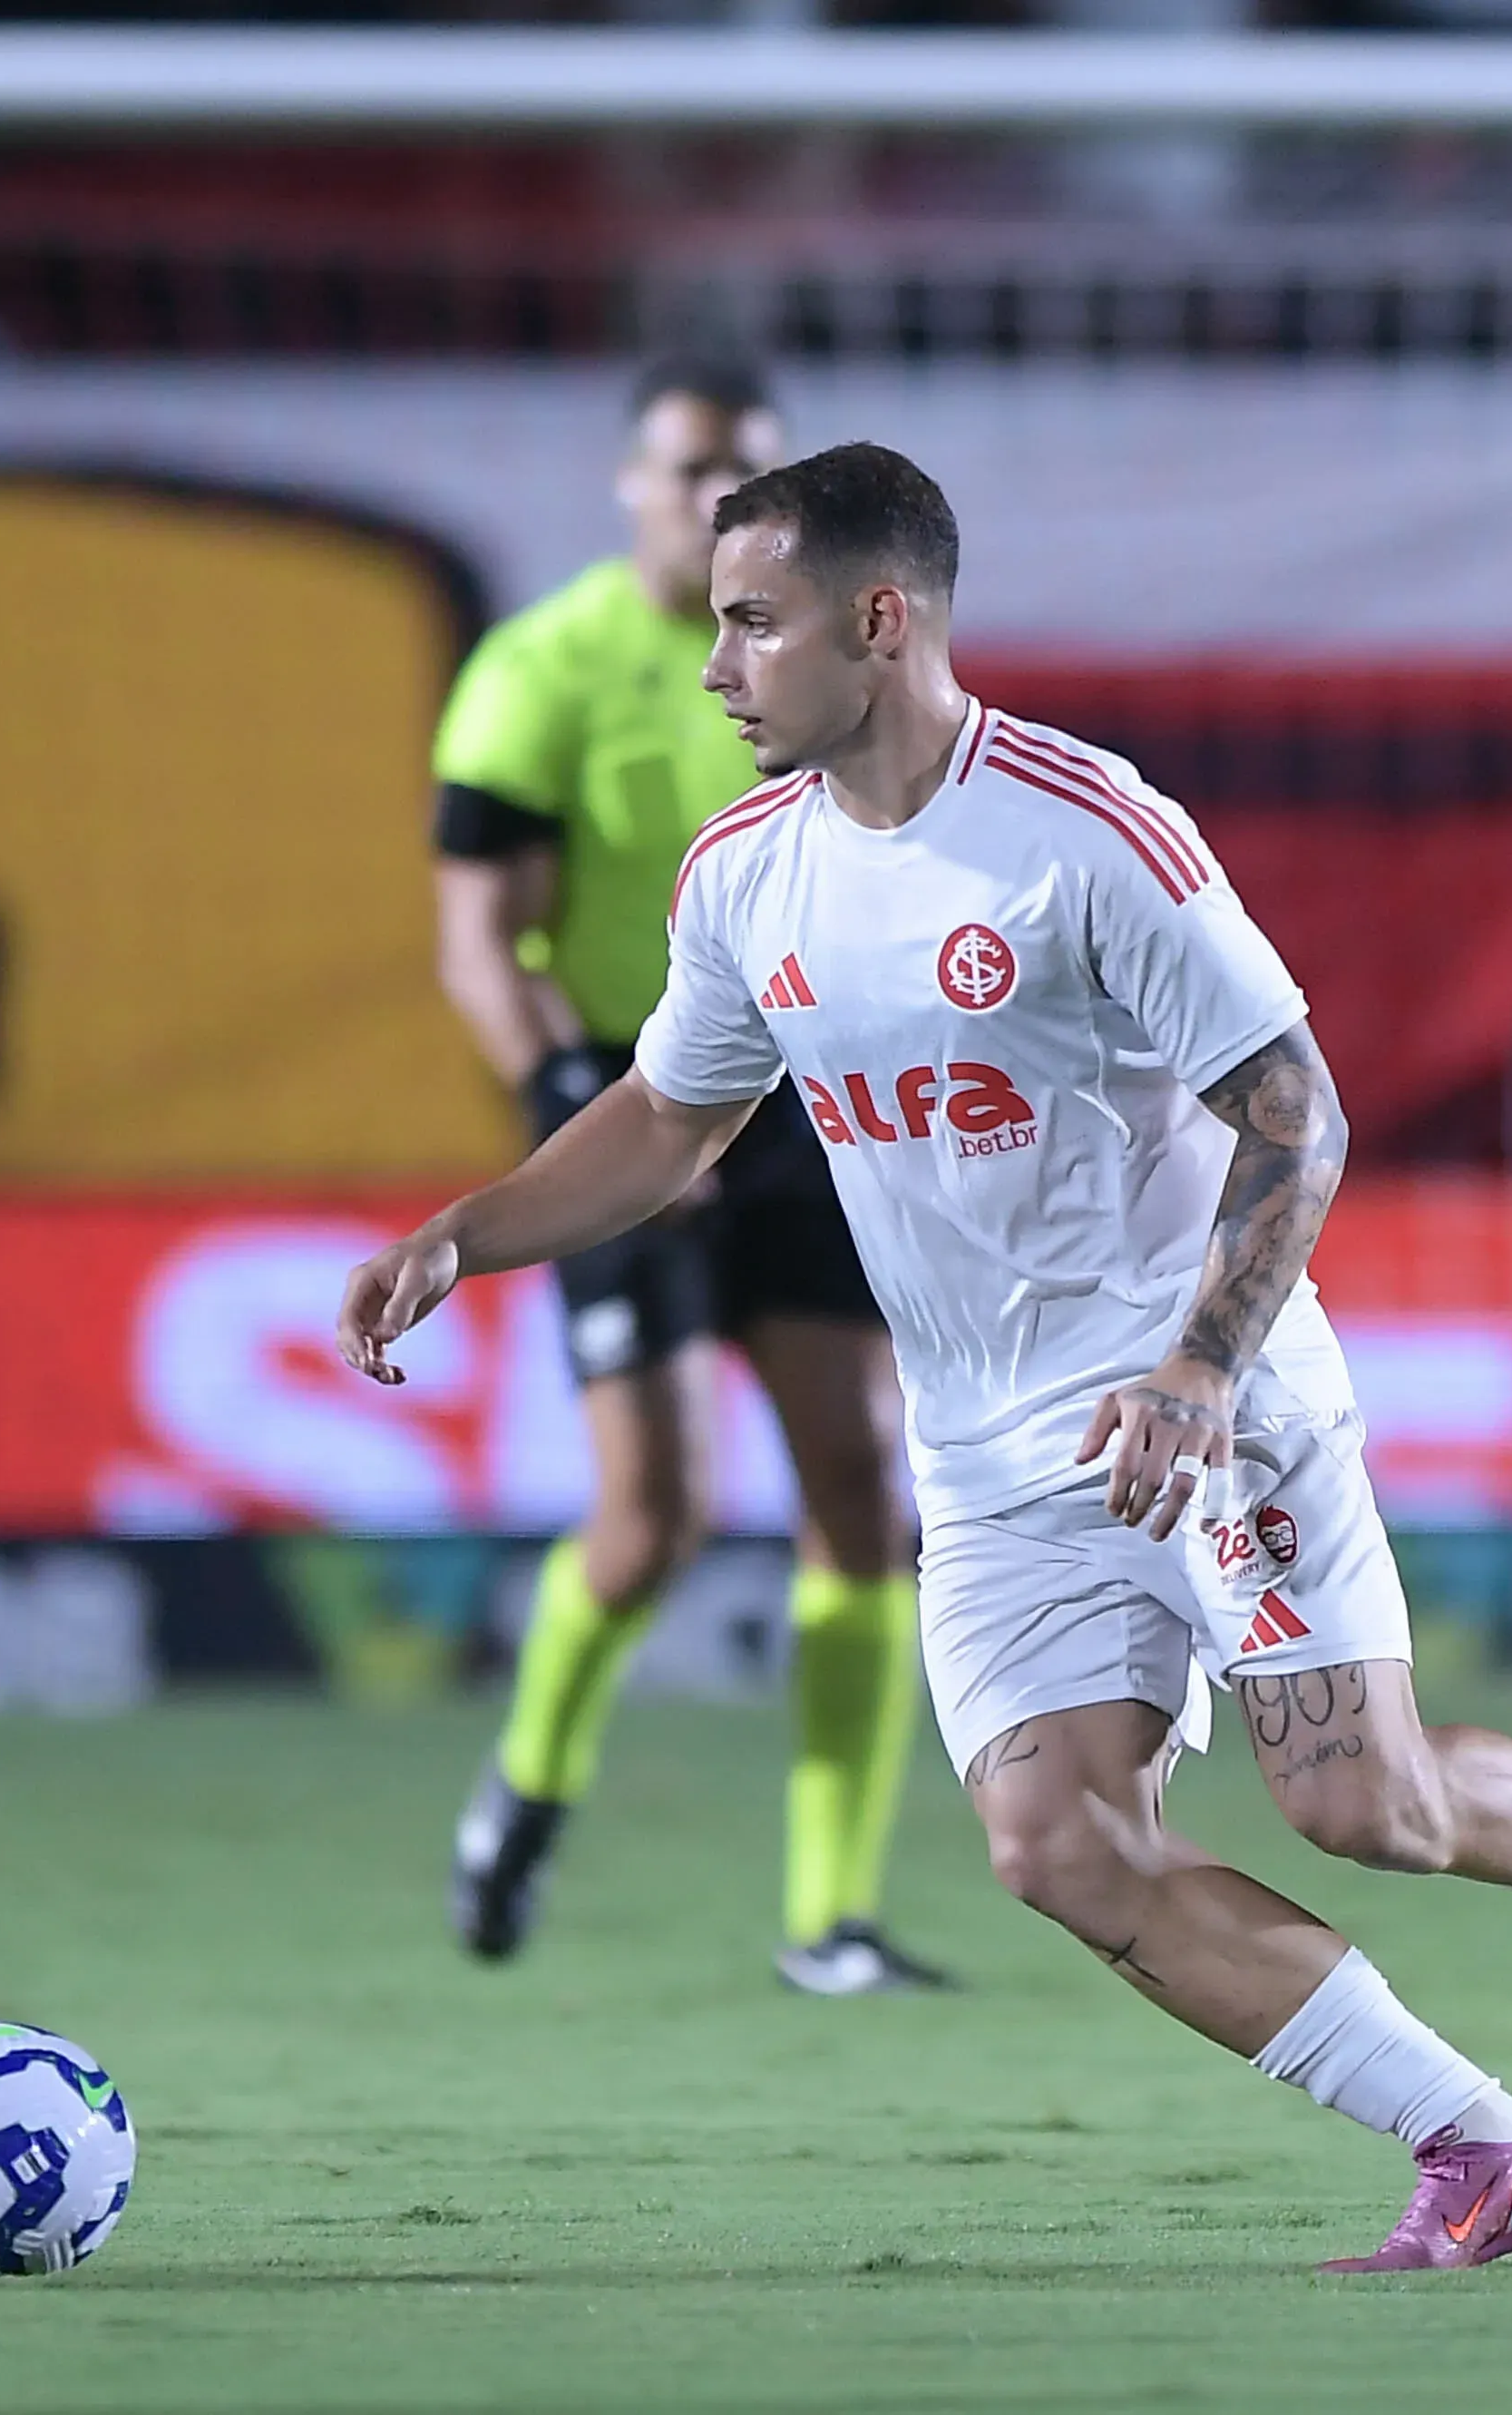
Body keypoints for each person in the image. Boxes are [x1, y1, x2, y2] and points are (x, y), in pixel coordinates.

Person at [342, 443, 1512, 2273]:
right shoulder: (742, 872)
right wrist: (468, 1231)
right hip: (988, 1454)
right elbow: (670, 1117)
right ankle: (1484, 2143)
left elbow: (1296, 1113)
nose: (716, 665)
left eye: (753, 624)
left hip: (1204, 1398)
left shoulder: (1085, 830)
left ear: (878, 622)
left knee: (1362, 1803)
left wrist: (1199, 1368)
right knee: (1056, 1846)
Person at [429, 357, 945, 1996]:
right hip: (627, 1095)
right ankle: (527, 1787)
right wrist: (574, 1099)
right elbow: (478, 940)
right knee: (655, 1520)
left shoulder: (832, 658)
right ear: (628, 483)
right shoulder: (541, 669)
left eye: (745, 474)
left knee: (863, 1491)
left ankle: (830, 1917)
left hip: (809, 1102)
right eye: (688, 472)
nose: (711, 501)